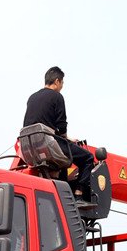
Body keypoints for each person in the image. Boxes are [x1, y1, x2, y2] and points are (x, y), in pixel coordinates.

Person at [23, 66, 93, 201]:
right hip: (48, 143)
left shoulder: (32, 97)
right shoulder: (57, 96)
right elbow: (61, 127)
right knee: (87, 158)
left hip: (30, 148)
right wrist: (67, 138)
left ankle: (60, 194)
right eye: (62, 83)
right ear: (57, 81)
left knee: (63, 161)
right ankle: (79, 195)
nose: (62, 86)